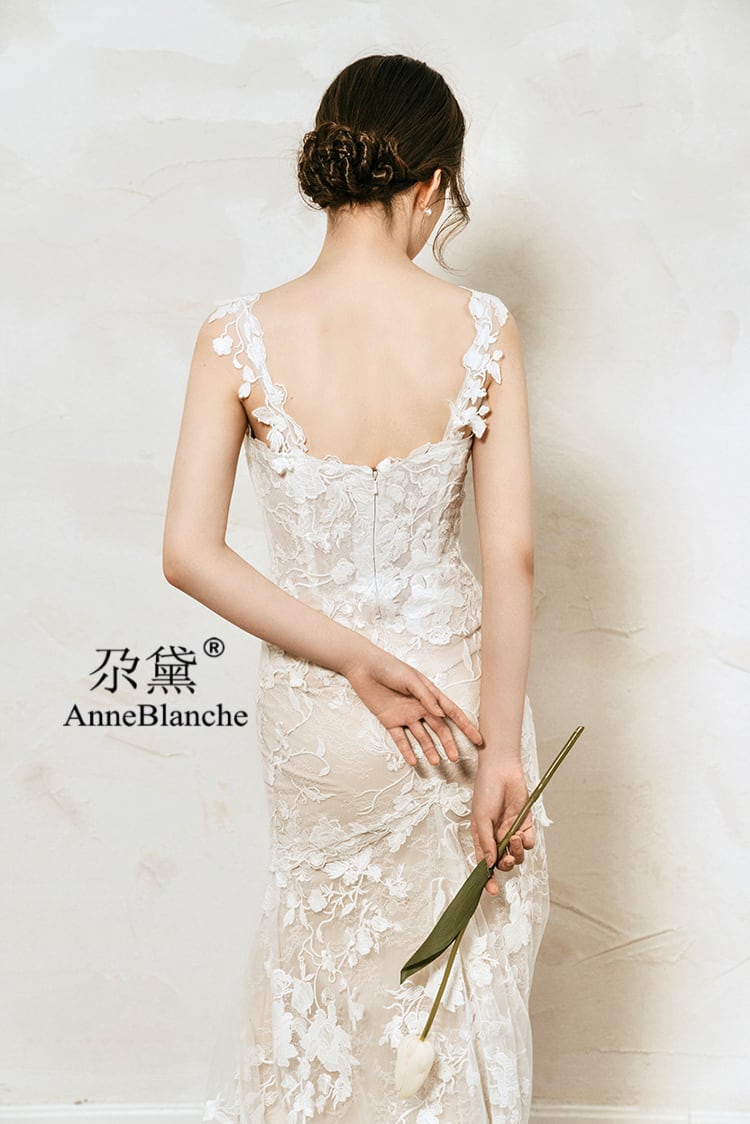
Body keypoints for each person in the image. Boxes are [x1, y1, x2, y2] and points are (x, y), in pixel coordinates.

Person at [163, 52, 550, 1124]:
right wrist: (502, 751)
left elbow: (189, 551)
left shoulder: (236, 337)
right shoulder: (484, 329)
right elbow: (512, 555)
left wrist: (351, 658)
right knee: (454, 995)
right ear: (432, 185)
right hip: (458, 704)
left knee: (319, 977)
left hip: (320, 710)